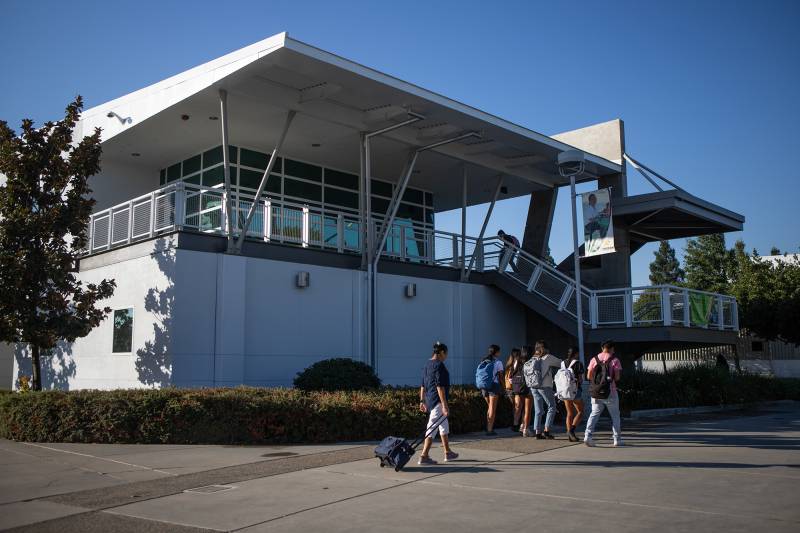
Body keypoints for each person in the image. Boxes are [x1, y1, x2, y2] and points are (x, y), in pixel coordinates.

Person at [419, 341, 458, 464]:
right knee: (431, 429)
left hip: (430, 401)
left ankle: (448, 452)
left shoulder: (427, 364)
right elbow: (440, 387)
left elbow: (422, 385)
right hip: (438, 402)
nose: (446, 356)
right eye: (446, 354)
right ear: (441, 353)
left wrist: (422, 401)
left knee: (443, 427)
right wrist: (445, 406)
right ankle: (424, 455)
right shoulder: (439, 365)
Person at [584, 340, 624, 447]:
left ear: (602, 348)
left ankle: (588, 436)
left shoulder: (594, 359)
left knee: (594, 414)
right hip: (610, 391)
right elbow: (617, 377)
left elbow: (588, 376)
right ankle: (617, 439)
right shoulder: (615, 360)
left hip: (596, 391)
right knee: (615, 416)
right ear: (611, 349)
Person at [528, 340, 562, 439]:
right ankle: (547, 431)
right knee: (552, 407)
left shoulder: (532, 358)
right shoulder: (548, 357)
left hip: (533, 386)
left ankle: (537, 432)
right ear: (546, 348)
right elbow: (561, 363)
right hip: (544, 386)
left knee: (538, 410)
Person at [479, 344, 504, 436]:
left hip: (484, 386)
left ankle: (488, 427)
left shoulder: (483, 360)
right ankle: (489, 430)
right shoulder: (498, 362)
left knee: (489, 407)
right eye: (499, 351)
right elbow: (501, 377)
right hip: (494, 386)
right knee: (492, 409)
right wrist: (503, 387)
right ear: (496, 352)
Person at [561, 347, 586, 442]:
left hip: (565, 391)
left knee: (569, 413)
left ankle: (569, 435)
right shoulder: (578, 363)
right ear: (576, 353)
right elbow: (580, 379)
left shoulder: (563, 363)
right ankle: (571, 430)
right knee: (580, 411)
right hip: (575, 391)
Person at [516, 345, 534, 437]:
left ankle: (522, 426)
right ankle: (526, 429)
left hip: (519, 387)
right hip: (528, 388)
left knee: (522, 408)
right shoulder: (531, 362)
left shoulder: (518, 361)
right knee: (528, 410)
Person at [504, 348, 523, 431]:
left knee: (515, 407)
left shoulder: (508, 364)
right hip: (516, 388)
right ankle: (516, 424)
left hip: (508, 389)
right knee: (518, 407)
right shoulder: (518, 364)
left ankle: (515, 424)